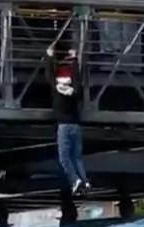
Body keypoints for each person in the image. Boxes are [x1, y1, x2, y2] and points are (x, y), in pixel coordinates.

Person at [46, 44, 90, 195]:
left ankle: (75, 180)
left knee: (64, 157)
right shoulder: (75, 90)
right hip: (76, 126)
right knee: (76, 157)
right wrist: (75, 60)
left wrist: (49, 57)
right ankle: (85, 181)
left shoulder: (57, 89)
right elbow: (78, 79)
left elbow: (49, 75)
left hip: (63, 127)